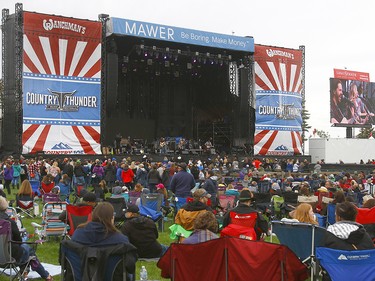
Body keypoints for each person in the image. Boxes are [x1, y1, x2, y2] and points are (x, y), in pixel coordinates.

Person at [71, 202, 137, 280]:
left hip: (81, 276)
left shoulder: (77, 234)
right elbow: (130, 265)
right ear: (112, 218)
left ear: (93, 215)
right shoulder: (121, 240)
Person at [0, 196, 53, 280]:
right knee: (29, 251)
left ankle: (26, 273)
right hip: (10, 257)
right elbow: (19, 241)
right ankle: (45, 275)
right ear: (5, 208)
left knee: (25, 249)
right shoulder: (10, 223)